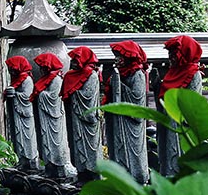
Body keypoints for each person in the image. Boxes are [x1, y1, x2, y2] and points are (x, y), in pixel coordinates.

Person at [157, 35, 204, 177]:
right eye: (169, 53)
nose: (170, 57)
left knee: (182, 154)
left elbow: (193, 101)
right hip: (169, 121)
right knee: (168, 153)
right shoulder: (172, 73)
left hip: (183, 123)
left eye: (173, 53)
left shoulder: (194, 74)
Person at [106, 40, 149, 184]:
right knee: (119, 149)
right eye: (115, 56)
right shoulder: (119, 74)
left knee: (134, 151)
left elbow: (137, 98)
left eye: (119, 56)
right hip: (120, 120)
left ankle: (137, 178)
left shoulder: (138, 74)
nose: (116, 59)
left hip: (132, 123)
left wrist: (120, 86)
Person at [31, 52, 77, 180]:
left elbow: (53, 98)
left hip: (54, 118)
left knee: (56, 142)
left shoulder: (56, 79)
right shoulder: (46, 79)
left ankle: (59, 169)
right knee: (46, 142)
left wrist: (40, 95)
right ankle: (49, 167)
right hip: (46, 118)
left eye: (42, 67)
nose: (40, 70)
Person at [60, 46, 102, 179]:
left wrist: (73, 94)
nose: (72, 63)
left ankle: (93, 175)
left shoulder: (92, 75)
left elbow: (88, 96)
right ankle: (81, 173)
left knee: (91, 147)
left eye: (75, 60)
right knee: (77, 144)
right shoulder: (72, 75)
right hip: (76, 117)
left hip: (87, 117)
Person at [5, 56, 40, 172]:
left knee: (27, 137)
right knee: (18, 137)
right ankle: (22, 160)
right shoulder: (17, 80)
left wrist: (15, 94)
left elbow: (27, 97)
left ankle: (31, 162)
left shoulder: (27, 80)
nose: (10, 71)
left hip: (25, 115)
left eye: (12, 68)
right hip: (18, 115)